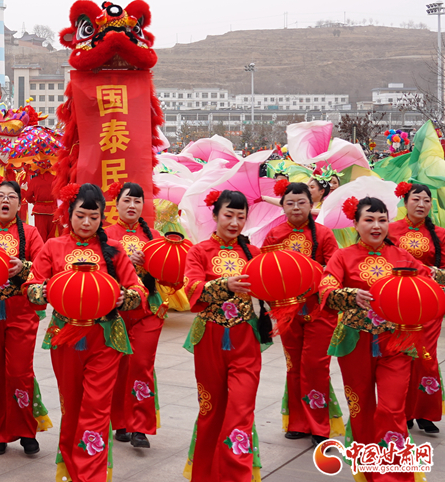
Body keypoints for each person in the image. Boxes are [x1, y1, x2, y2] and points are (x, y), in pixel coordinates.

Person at [24, 183, 146, 482]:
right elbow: (31, 286)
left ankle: (90, 475)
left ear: (102, 217)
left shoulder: (114, 249)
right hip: (66, 337)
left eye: (94, 217)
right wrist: (47, 291)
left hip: (104, 338)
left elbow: (138, 290)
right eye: (81, 216)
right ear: (69, 214)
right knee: (72, 407)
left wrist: (124, 297)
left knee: (96, 408)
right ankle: (70, 470)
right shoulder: (53, 247)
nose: (87, 223)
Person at [321, 196, 445, 482]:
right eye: (369, 220)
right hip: (355, 343)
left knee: (392, 408)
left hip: (397, 342)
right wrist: (350, 295)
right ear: (355, 224)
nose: (376, 226)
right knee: (361, 409)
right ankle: (369, 472)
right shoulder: (343, 256)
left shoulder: (401, 256)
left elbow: (430, 278)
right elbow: (326, 288)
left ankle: (394, 476)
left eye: (382, 220)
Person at [182, 189, 272, 482]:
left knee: (241, 409)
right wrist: (225, 286)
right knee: (211, 410)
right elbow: (191, 289)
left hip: (245, 339)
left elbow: (271, 288)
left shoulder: (254, 253)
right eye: (228, 215)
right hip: (210, 338)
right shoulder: (199, 251)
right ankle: (205, 474)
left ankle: (235, 476)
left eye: (240, 216)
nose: (234, 222)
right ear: (215, 215)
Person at [0, 178, 50, 455]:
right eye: (0, 196)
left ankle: (26, 430)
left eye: (11, 196)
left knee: (19, 371)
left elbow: (43, 269)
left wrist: (23, 267)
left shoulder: (31, 233)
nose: (5, 200)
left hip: (21, 311)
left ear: (19, 203)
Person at [263, 182, 342, 445]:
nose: (296, 207)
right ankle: (297, 421)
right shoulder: (274, 235)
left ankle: (319, 426)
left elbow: (334, 271)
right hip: (287, 311)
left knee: (316, 366)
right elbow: (265, 270)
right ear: (282, 206)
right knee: (294, 366)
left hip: (320, 310)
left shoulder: (325, 234)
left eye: (301, 202)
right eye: (290, 203)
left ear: (312, 204)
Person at [105, 182, 165, 449]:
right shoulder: (105, 236)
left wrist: (151, 264)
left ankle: (139, 426)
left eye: (137, 201)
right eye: (127, 200)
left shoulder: (156, 237)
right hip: (115, 310)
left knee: (141, 364)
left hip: (147, 311)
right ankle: (120, 422)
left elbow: (171, 278)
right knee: (118, 366)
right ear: (116, 203)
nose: (132, 206)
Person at [388, 183, 443, 434]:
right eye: (416, 199)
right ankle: (404, 412)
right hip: (398, 304)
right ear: (405, 201)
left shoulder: (440, 234)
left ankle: (425, 412)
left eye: (426, 200)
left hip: (430, 303)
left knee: (425, 357)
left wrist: (436, 274)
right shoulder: (390, 230)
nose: (421, 204)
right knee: (401, 357)